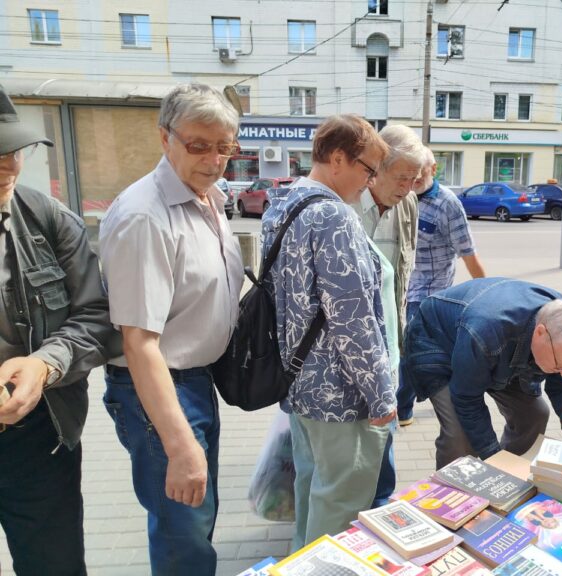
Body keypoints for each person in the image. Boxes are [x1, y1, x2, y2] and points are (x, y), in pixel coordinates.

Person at [99, 84, 244, 574]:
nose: (215, 160)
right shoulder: (145, 216)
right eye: (199, 145)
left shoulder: (208, 197)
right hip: (159, 389)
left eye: (225, 146)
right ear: (165, 138)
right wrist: (180, 445)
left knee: (195, 522)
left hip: (194, 382)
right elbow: (138, 342)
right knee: (184, 536)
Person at [0, 85, 120, 575]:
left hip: (38, 434)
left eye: (14, 151)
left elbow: (97, 315)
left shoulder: (47, 218)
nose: (8, 168)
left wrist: (45, 364)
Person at [260, 114, 395, 551]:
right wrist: (381, 394)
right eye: (368, 170)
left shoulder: (282, 205)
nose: (370, 182)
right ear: (337, 158)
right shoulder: (334, 216)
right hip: (341, 393)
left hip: (298, 382)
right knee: (339, 503)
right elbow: (353, 317)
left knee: (310, 487)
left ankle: (300, 562)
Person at [402, 278, 562, 469]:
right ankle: (452, 491)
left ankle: (511, 476)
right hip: (439, 340)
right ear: (540, 333)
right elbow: (466, 399)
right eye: (559, 365)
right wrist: (493, 455)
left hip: (495, 347)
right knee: (460, 436)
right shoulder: (486, 331)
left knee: (534, 415)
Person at [351, 124, 420, 507]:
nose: (408, 188)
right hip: (349, 338)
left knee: (385, 424)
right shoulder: (345, 203)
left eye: (414, 180)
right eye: (402, 178)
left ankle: (380, 500)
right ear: (376, 169)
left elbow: (403, 272)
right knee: (348, 434)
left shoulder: (407, 205)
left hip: (388, 337)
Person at [398, 147, 486, 426]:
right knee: (409, 350)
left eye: (420, 172)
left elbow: (468, 253)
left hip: (430, 293)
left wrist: (486, 293)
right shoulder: (401, 195)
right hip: (401, 289)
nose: (414, 179)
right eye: (409, 173)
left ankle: (402, 408)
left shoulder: (448, 204)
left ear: (433, 169)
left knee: (411, 350)